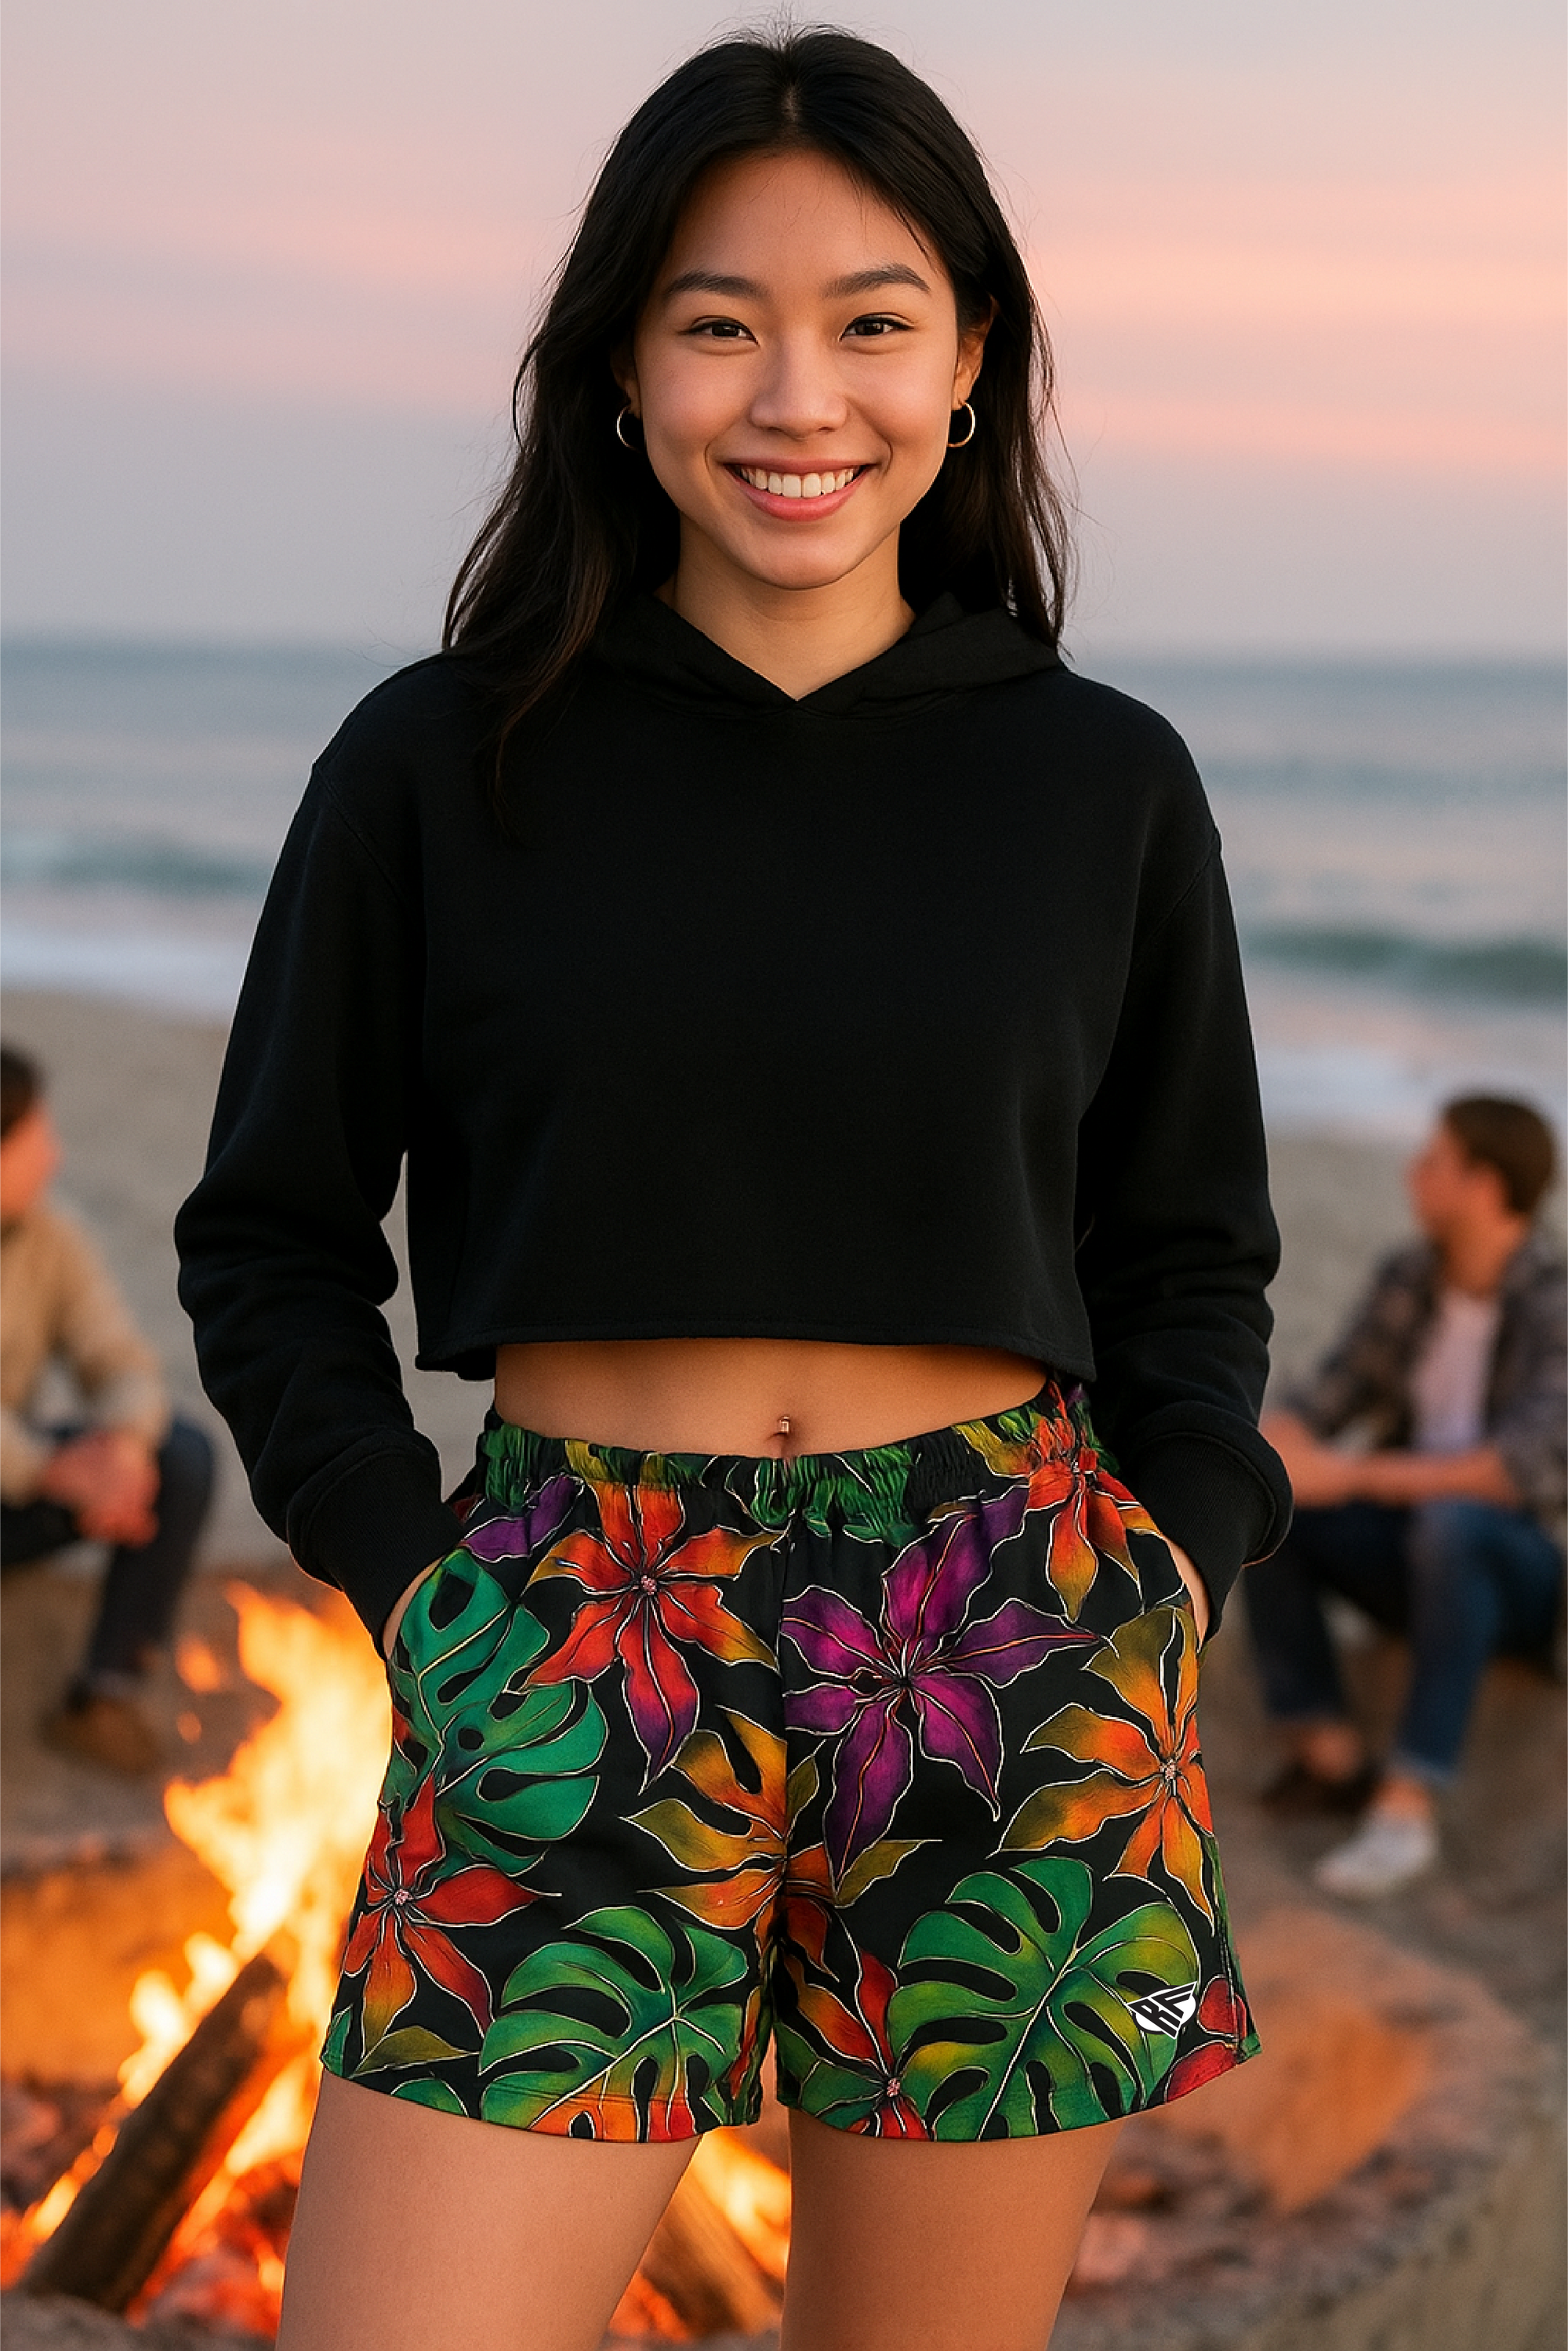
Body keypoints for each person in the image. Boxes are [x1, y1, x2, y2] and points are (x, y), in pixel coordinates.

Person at [175, 32, 1290, 2351]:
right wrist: (412, 1581)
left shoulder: (1100, 787)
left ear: (970, 362)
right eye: (719, 320)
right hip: (577, 1622)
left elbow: (1187, 1245)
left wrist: (1169, 1556)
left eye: (874, 318)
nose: (803, 391)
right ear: (619, 368)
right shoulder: (438, 762)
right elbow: (271, 1235)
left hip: (1015, 1628)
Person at [1249, 1095, 1566, 1899]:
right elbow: (1328, 1394)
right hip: (1412, 1548)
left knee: (1453, 1521)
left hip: (1516, 1574)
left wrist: (1348, 1474)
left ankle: (1405, 1802)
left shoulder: (1553, 1298)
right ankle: (1330, 1755)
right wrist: (1269, 1448)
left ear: (1485, 1186)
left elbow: (1515, 1470)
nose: (1410, 1174)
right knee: (1273, 1499)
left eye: (1432, 1161)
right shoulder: (1410, 1274)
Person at [0, 1045, 213, 1774]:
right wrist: (49, 1470)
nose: (52, 1156)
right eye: (36, 1138)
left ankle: (103, 1695)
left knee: (179, 1457)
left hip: (15, 1484)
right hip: (18, 1471)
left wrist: (120, 1452)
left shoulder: (48, 1237)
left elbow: (121, 1360)